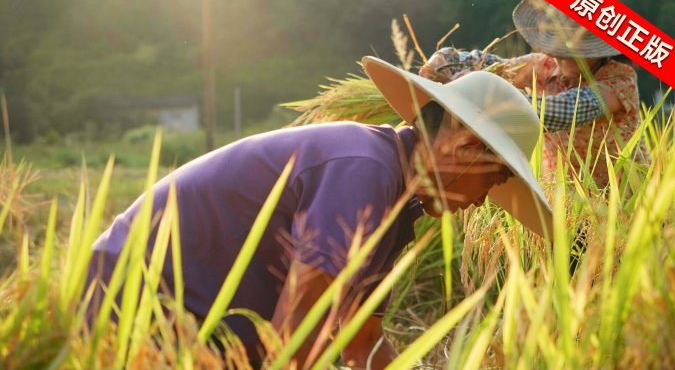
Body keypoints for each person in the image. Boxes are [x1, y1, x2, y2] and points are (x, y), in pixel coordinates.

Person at [88, 57, 552, 369]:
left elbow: (359, 337)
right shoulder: (362, 170)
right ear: (466, 148)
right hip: (122, 312)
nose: (481, 201)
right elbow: (297, 334)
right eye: (493, 180)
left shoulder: (394, 200)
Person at [419, 0, 647, 189]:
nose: (562, 56)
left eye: (576, 49)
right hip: (566, 199)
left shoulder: (619, 79)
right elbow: (490, 66)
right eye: (557, 47)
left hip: (623, 198)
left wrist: (483, 95)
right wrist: (446, 61)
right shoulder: (544, 66)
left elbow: (569, 110)